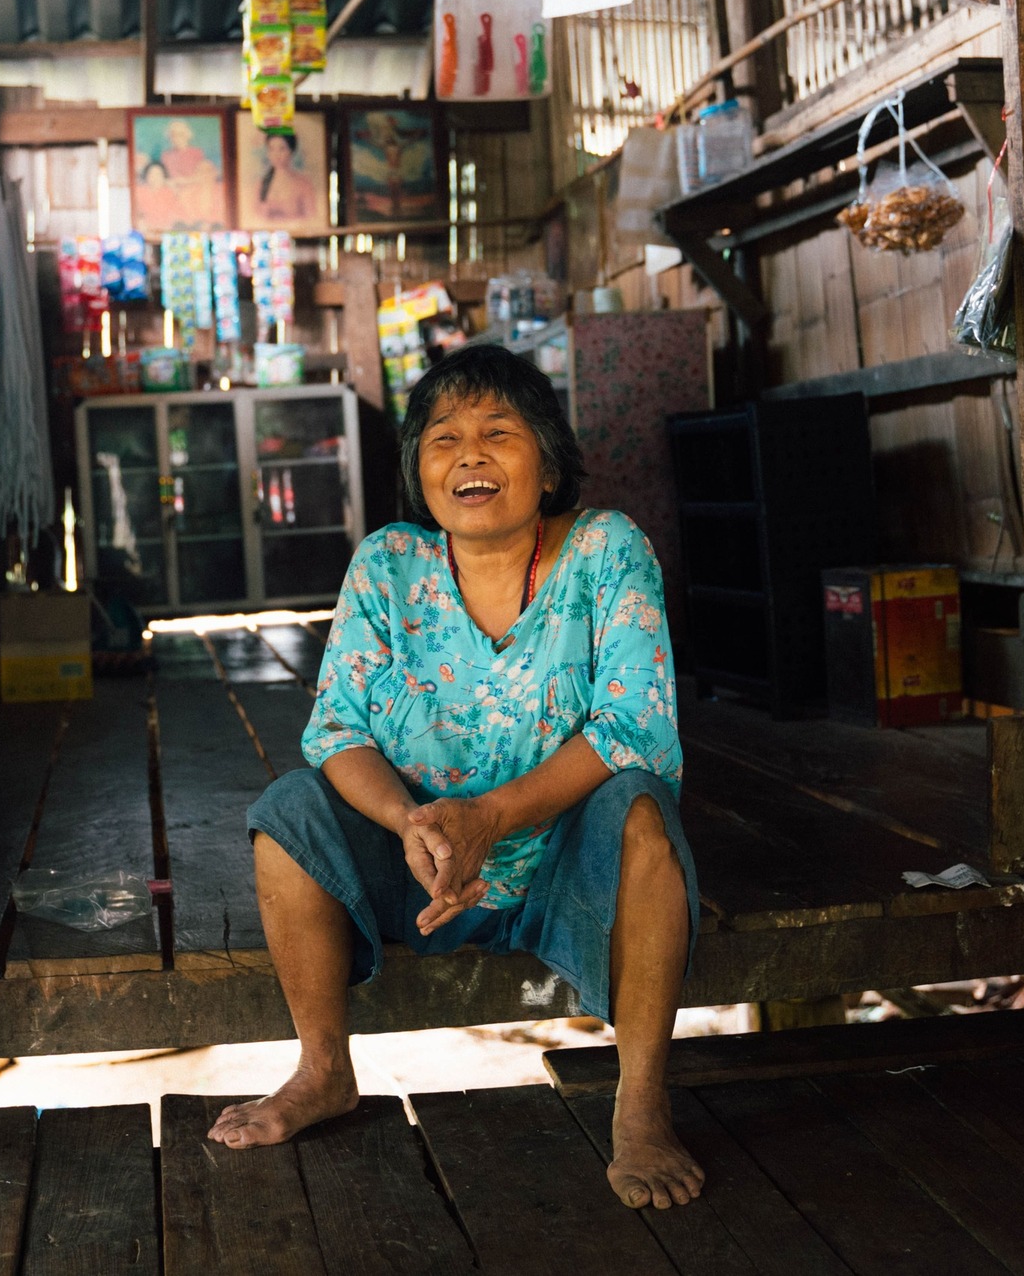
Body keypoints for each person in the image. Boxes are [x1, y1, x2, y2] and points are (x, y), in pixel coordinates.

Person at [208, 345, 705, 1211]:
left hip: (564, 867)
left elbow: (636, 727)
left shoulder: (605, 551)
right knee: (288, 811)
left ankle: (640, 1106)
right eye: (443, 438)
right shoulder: (387, 565)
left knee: (640, 817)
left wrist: (490, 817)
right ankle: (324, 1070)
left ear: (547, 464)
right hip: (424, 870)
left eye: (498, 433)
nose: (469, 454)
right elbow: (338, 732)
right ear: (418, 470)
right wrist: (413, 824)